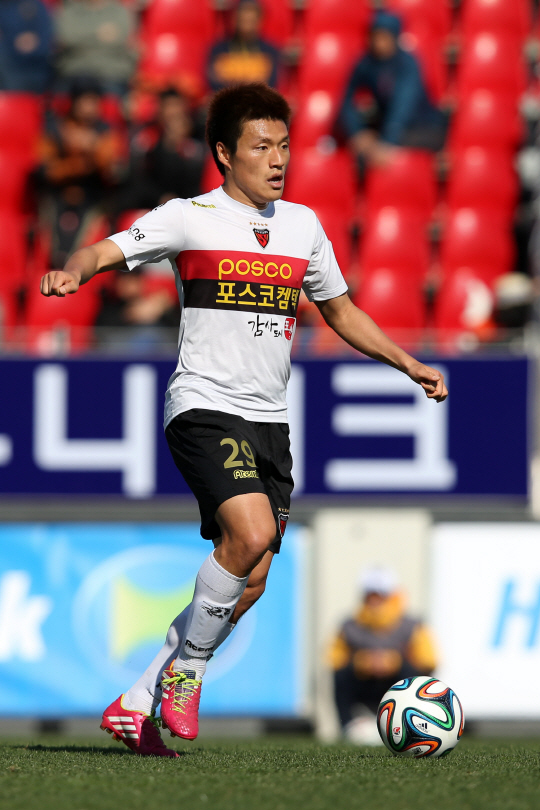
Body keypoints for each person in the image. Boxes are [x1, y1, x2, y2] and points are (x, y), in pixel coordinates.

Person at [40, 82, 448, 758]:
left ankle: (136, 701)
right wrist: (73, 272)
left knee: (250, 580)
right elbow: (103, 250)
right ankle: (188, 672)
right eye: (262, 146)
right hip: (203, 405)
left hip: (270, 422)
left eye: (284, 145)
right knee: (250, 532)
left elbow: (341, 311)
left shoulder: (302, 226)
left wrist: (408, 363)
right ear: (225, 153)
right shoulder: (189, 216)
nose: (278, 159)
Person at [328, 567, 437, 745]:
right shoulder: (349, 625)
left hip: (398, 686)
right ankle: (347, 727)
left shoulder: (412, 625)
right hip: (363, 684)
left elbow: (429, 661)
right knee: (341, 675)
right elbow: (334, 660)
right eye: (370, 595)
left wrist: (392, 662)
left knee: (412, 674)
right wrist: (363, 662)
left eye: (380, 595)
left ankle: (413, 726)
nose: (374, 601)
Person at [338, 11, 447, 166]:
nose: (379, 43)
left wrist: (388, 142)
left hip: (421, 127)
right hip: (386, 124)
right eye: (375, 36)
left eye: (384, 37)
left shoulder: (407, 64)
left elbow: (403, 106)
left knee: (378, 149)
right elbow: (347, 98)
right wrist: (357, 132)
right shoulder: (366, 63)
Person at [36, 82, 121, 268]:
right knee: (51, 234)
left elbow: (111, 170)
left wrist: (93, 149)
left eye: (93, 102)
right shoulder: (56, 128)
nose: (89, 107)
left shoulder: (105, 131)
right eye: (85, 101)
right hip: (57, 195)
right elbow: (46, 171)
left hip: (93, 197)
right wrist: (80, 161)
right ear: (74, 103)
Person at [54, 0, 137, 96]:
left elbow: (120, 41)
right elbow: (67, 38)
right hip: (75, 70)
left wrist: (81, 36)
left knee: (114, 96)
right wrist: (100, 34)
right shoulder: (70, 11)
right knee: (59, 95)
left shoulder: (119, 12)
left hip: (111, 73)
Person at [208, 0, 280, 91]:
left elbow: (271, 83)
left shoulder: (270, 51)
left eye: (250, 20)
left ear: (260, 20)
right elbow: (214, 82)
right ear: (234, 19)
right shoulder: (218, 50)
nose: (246, 23)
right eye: (242, 19)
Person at [0, 0, 54, 93]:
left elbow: (47, 36)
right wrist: (14, 42)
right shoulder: (3, 7)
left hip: (39, 68)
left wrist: (35, 42)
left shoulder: (36, 5)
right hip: (11, 68)